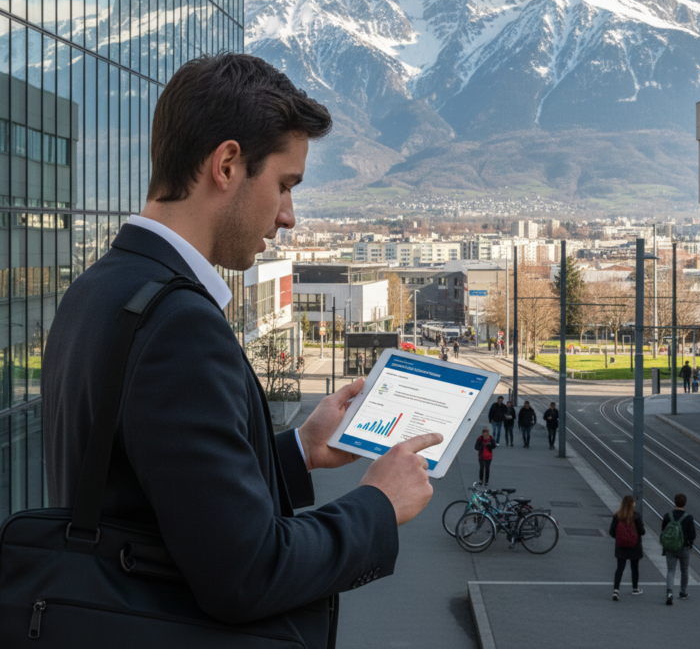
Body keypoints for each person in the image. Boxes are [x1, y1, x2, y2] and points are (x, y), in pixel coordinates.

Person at [41, 54, 442, 648]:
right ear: (227, 164)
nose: (289, 216)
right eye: (284, 185)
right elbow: (247, 573)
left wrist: (300, 450)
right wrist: (377, 506)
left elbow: (163, 493)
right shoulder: (178, 325)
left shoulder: (98, 290)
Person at [661, 493, 696, 606]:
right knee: (684, 569)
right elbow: (693, 535)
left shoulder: (667, 516)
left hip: (670, 547)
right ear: (685, 503)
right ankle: (683, 592)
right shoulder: (689, 518)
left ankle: (669, 593)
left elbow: (663, 531)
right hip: (684, 548)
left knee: (671, 570)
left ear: (674, 502)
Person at [609, 494, 646, 600]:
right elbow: (642, 532)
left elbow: (611, 532)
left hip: (621, 546)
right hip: (634, 546)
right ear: (632, 504)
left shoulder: (617, 516)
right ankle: (635, 588)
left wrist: (620, 538)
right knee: (634, 567)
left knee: (620, 568)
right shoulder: (637, 516)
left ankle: (616, 590)